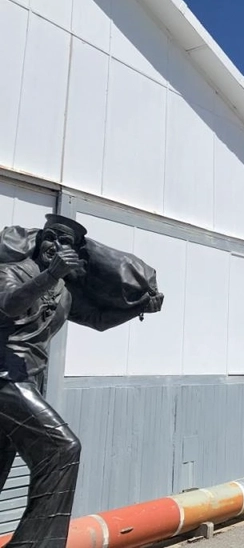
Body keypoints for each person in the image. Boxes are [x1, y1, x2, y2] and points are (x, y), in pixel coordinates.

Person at [0, 214, 163, 547]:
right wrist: (50, 275)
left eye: (65, 243)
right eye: (51, 239)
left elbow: (98, 319)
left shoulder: (64, 292)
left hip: (26, 382)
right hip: (5, 378)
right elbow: (10, 304)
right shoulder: (12, 271)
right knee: (61, 449)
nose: (56, 247)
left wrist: (141, 307)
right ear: (38, 241)